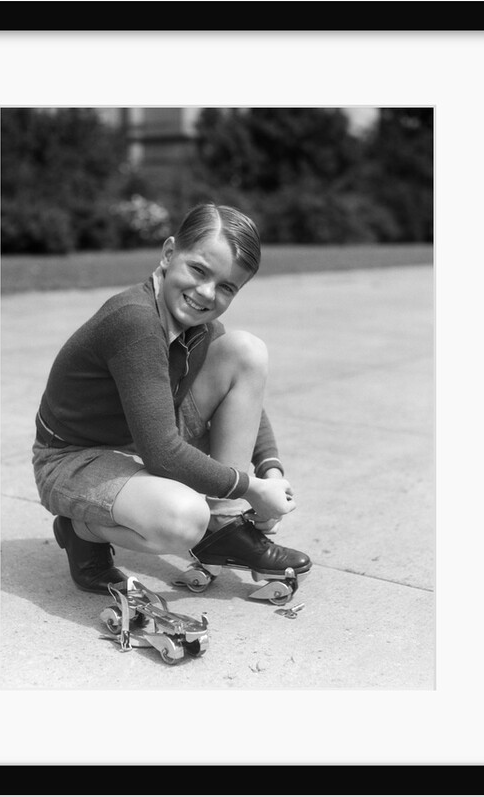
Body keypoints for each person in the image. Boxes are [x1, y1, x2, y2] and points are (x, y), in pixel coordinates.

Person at [32, 203, 312, 595]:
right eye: (198, 270)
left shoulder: (200, 327)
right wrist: (250, 489)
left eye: (227, 286)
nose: (206, 293)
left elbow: (247, 401)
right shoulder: (134, 321)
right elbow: (162, 452)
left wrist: (271, 473)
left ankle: (225, 526)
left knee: (245, 350)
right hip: (73, 459)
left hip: (136, 438)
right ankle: (81, 531)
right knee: (183, 519)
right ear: (168, 254)